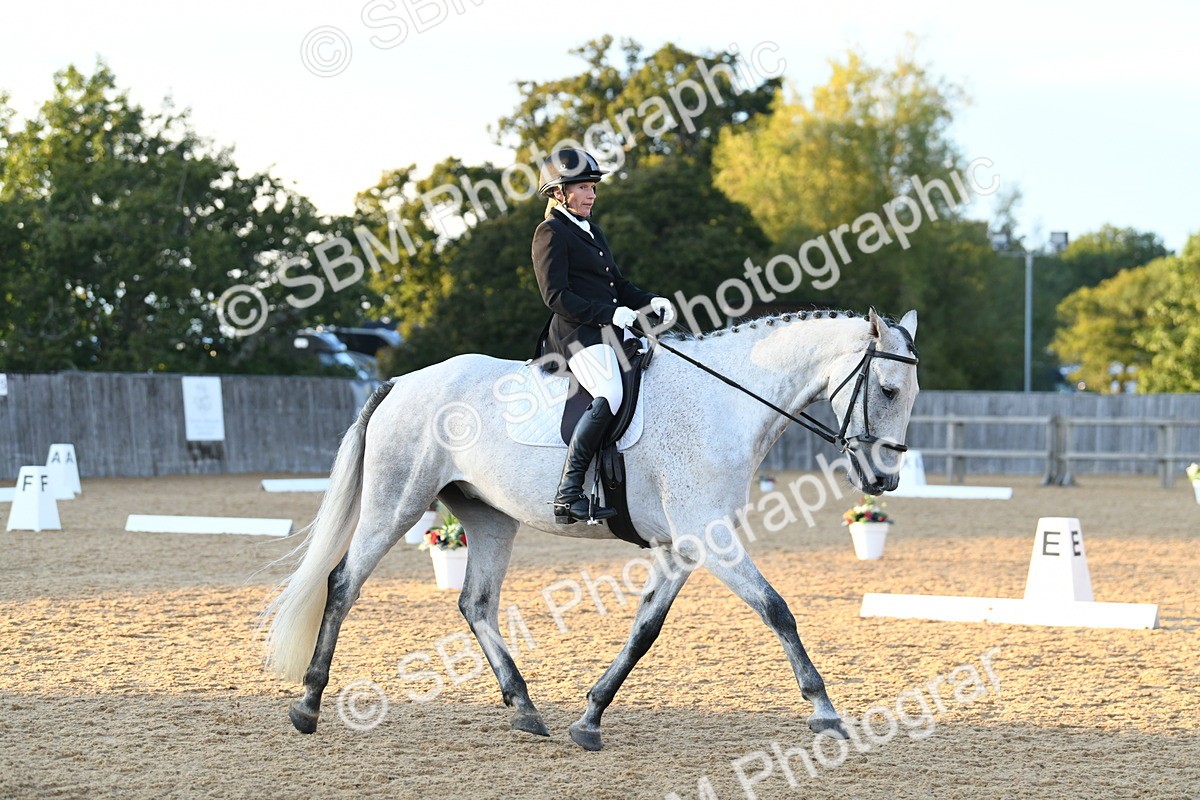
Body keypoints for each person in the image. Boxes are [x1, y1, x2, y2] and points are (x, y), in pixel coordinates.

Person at [531, 148, 675, 524]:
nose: (592, 194)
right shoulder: (550, 232)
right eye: (583, 187)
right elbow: (556, 296)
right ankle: (568, 493)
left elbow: (617, 285)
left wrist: (649, 301)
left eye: (593, 187)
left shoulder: (592, 230)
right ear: (559, 192)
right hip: (576, 335)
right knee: (610, 392)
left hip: (610, 329)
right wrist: (609, 314)